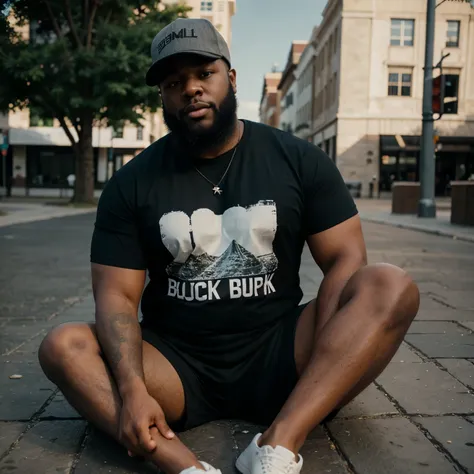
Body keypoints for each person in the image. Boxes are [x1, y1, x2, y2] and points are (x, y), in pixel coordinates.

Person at [38, 18, 420, 474]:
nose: (192, 89)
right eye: (175, 82)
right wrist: (134, 390)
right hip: (176, 365)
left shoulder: (298, 159)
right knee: (63, 346)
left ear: (231, 78)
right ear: (163, 96)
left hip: (283, 351)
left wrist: (329, 351)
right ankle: (181, 464)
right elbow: (116, 297)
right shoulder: (130, 184)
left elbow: (345, 259)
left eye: (204, 73)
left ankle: (279, 443)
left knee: (390, 285)